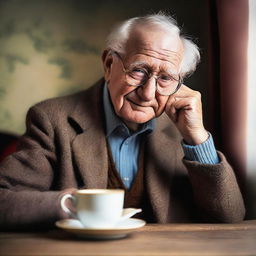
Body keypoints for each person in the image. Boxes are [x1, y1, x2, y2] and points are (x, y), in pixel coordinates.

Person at [0, 13, 245, 230]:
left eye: (166, 78)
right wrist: (74, 204)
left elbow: (230, 216)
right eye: (139, 70)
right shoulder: (53, 119)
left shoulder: (183, 128)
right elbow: (4, 201)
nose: (148, 93)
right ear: (109, 64)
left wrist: (197, 139)